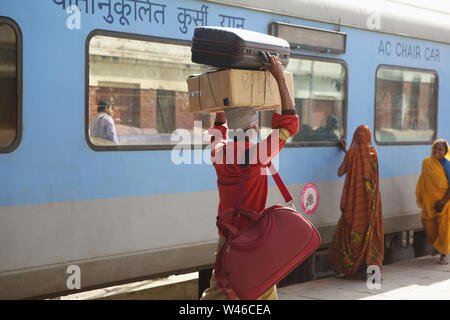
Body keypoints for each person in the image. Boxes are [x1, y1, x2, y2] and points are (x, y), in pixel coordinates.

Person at [200, 53, 299, 300]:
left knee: (222, 291)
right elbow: (289, 126)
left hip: (227, 239)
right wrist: (279, 79)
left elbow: (218, 130)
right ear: (254, 128)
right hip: (253, 241)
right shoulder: (256, 155)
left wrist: (224, 94)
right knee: (259, 293)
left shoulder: (218, 153)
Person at [328, 125, 384, 278]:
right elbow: (366, 167)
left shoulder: (352, 155)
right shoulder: (373, 154)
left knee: (351, 231)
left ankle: (351, 267)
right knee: (370, 233)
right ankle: (368, 269)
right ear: (369, 137)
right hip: (370, 204)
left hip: (353, 205)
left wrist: (346, 153)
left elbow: (340, 172)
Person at [415, 138, 450, 265]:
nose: (436, 151)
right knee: (430, 227)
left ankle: (444, 254)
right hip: (430, 204)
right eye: (435, 148)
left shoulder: (447, 165)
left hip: (445, 204)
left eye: (440, 149)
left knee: (444, 229)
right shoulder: (426, 163)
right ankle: (437, 245)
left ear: (445, 152)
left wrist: (442, 202)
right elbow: (423, 181)